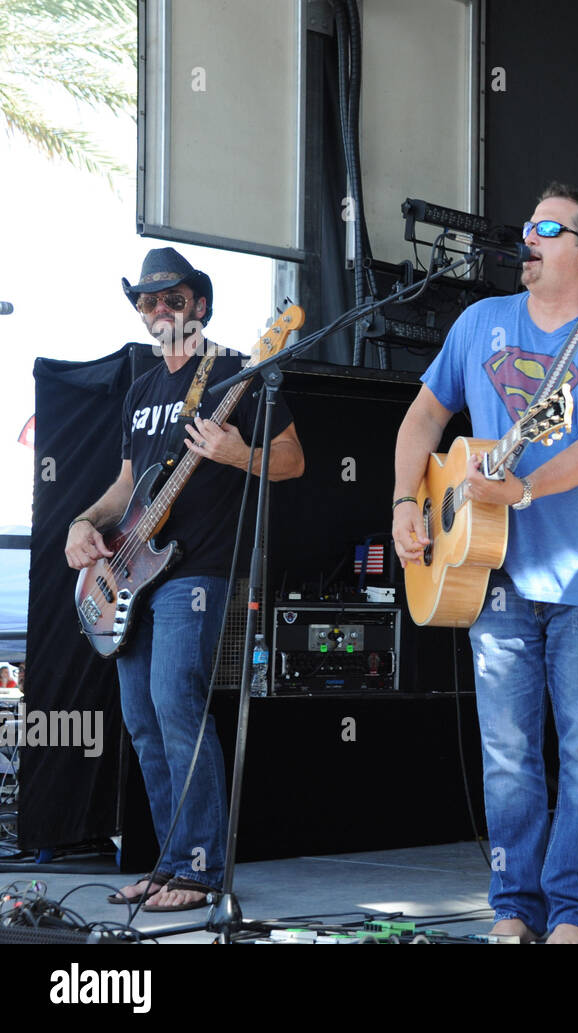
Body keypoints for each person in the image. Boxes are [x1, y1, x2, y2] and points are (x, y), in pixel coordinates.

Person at [392, 183, 578, 943]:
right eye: (527, 226)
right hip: (490, 573)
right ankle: (513, 908)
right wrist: (404, 502)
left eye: (547, 227)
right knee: (509, 756)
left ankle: (573, 914)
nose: (529, 238)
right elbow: (423, 416)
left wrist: (527, 485)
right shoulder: (480, 322)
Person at [65, 248, 305, 911]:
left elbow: (292, 460)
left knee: (177, 702)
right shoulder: (141, 387)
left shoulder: (236, 369)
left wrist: (238, 452)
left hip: (193, 568)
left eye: (172, 298)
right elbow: (125, 485)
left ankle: (201, 869)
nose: (159, 310)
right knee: (142, 720)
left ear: (199, 303)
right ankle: (170, 863)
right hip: (131, 569)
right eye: (147, 301)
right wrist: (83, 522)